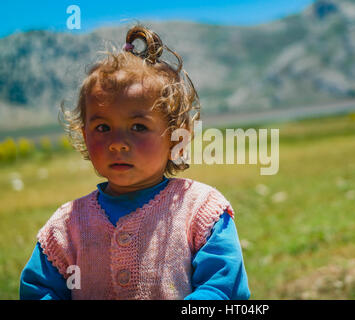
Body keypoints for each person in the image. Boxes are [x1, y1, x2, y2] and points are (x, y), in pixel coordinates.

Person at [20, 25, 250, 300]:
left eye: (138, 127)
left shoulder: (202, 212)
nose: (117, 142)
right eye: (103, 128)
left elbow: (223, 290)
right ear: (84, 135)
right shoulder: (66, 226)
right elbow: (39, 290)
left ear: (178, 137)